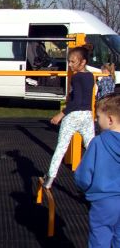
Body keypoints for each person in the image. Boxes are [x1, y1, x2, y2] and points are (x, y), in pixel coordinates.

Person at [43, 45, 95, 188]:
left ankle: (50, 177)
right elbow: (85, 97)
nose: (70, 65)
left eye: (73, 62)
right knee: (91, 148)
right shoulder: (90, 76)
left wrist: (61, 114)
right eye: (69, 61)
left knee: (61, 148)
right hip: (87, 116)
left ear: (83, 62)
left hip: (74, 115)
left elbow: (77, 101)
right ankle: (96, 178)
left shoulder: (77, 77)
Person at [74, 93, 120, 247]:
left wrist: (84, 187)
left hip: (104, 200)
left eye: (98, 116)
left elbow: (84, 175)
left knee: (100, 236)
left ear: (110, 120)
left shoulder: (98, 143)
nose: (96, 120)